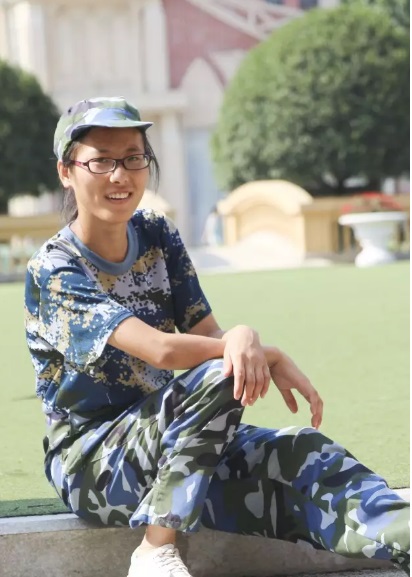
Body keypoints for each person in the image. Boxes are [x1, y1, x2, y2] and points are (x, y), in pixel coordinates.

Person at [24, 96, 410, 577]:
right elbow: (163, 350)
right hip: (94, 465)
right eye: (100, 161)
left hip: (177, 446)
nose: (120, 175)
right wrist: (253, 346)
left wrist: (242, 341)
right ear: (66, 172)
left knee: (303, 453)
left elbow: (207, 334)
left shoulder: (156, 235)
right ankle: (155, 549)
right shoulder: (55, 268)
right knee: (217, 373)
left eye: (133, 158)